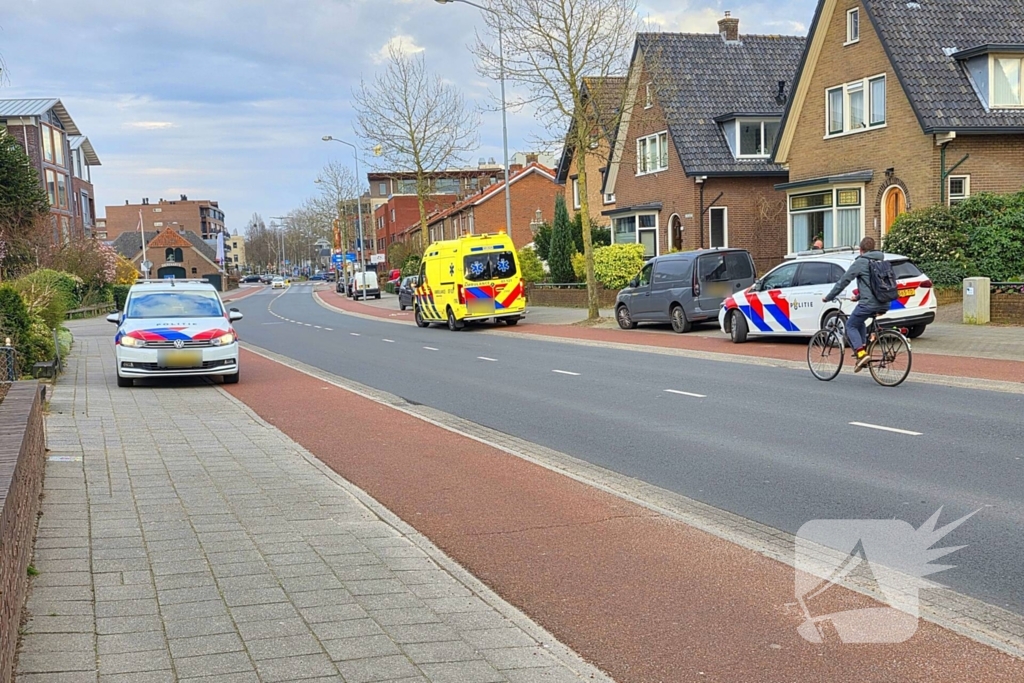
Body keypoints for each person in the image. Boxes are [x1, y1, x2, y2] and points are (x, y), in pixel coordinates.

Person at [823, 236, 889, 372]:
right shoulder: (881, 260)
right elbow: (874, 285)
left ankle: (861, 354)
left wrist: (829, 297)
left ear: (861, 250)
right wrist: (858, 296)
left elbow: (843, 281)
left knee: (850, 325)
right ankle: (863, 352)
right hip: (884, 302)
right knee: (860, 322)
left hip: (869, 304)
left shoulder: (861, 262)